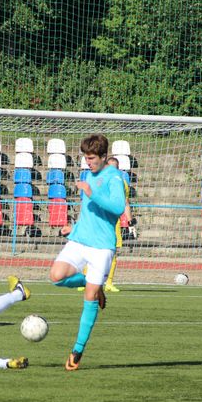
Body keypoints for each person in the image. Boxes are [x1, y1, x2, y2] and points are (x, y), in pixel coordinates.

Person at [49, 134, 126, 371]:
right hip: (81, 240)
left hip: (102, 246)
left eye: (91, 158)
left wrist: (93, 193)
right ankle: (93, 283)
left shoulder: (114, 177)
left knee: (89, 298)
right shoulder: (87, 176)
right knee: (56, 276)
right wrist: (75, 227)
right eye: (85, 157)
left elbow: (118, 208)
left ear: (103, 157)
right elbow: (88, 214)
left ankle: (77, 350)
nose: (88, 162)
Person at [103, 156, 132, 293]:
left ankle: (109, 283)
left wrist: (130, 220)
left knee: (113, 253)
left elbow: (125, 202)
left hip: (114, 223)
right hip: (99, 221)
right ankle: (86, 280)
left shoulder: (122, 184)